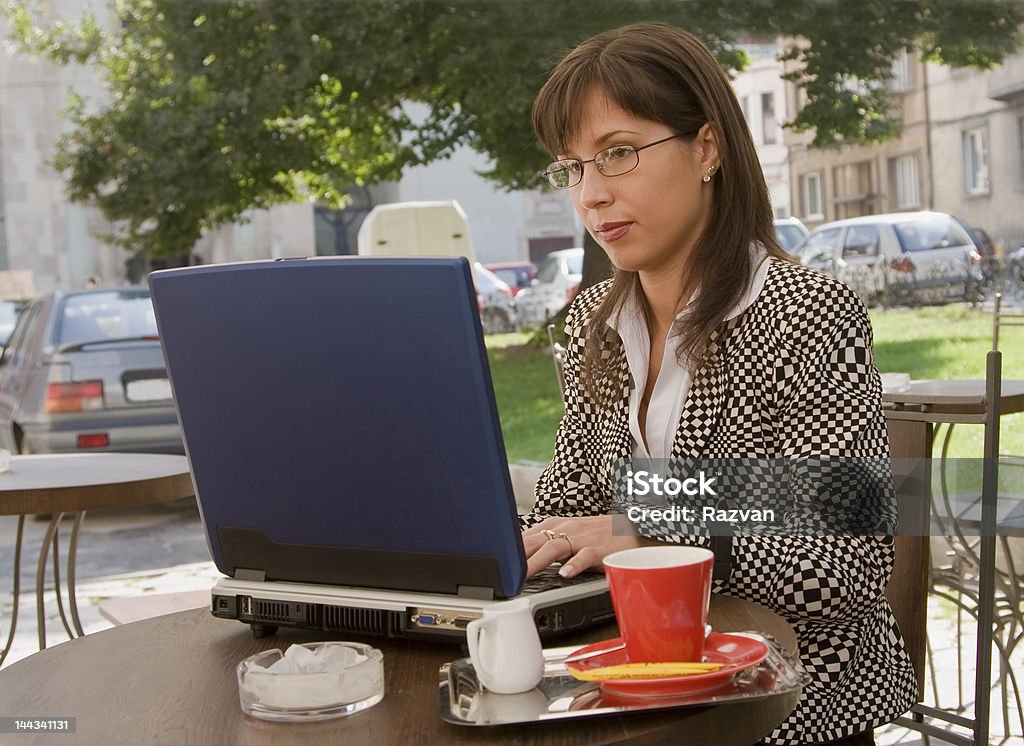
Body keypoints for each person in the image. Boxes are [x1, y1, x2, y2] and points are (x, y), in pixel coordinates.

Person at [519, 23, 917, 746]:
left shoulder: (807, 313)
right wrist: (528, 544)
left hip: (791, 701)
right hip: (637, 686)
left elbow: (845, 560)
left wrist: (649, 526)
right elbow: (570, 506)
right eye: (572, 167)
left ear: (707, 148)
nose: (591, 194)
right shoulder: (591, 324)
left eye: (618, 154)